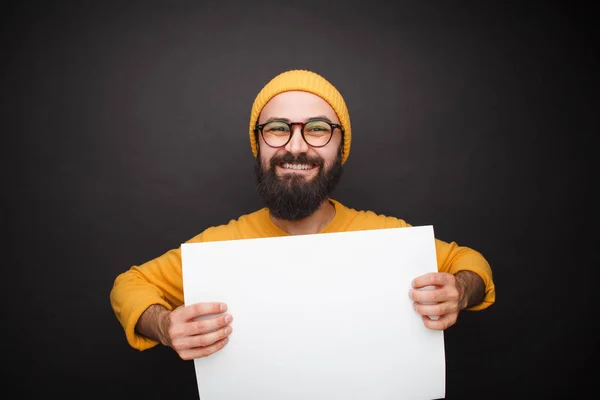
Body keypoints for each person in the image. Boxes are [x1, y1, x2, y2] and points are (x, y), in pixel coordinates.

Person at [110, 69, 496, 361]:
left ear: (340, 146)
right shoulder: (221, 246)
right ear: (258, 144)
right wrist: (164, 326)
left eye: (317, 129)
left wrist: (459, 291)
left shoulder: (384, 236)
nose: (296, 146)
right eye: (277, 129)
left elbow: (469, 262)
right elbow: (128, 285)